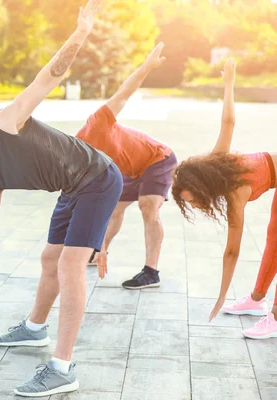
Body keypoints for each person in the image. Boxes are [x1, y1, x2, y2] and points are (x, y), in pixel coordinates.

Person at [0, 1, 122, 396]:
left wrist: (80, 33)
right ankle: (34, 329)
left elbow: (46, 78)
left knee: (69, 264)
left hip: (98, 177)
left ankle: (63, 368)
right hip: (72, 188)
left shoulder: (5, 123)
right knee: (50, 258)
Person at [172, 58, 277, 340]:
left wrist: (220, 296)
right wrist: (228, 84)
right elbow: (228, 122)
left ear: (201, 186)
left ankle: (276, 317)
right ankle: (257, 299)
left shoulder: (234, 194)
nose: (194, 205)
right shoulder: (217, 163)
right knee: (273, 240)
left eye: (192, 200)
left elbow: (232, 252)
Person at [79, 43, 177, 289]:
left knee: (148, 207)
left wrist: (147, 66)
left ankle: (151, 271)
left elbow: (124, 92)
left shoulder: (97, 122)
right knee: (113, 209)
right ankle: (99, 252)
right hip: (133, 169)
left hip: (158, 158)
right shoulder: (81, 161)